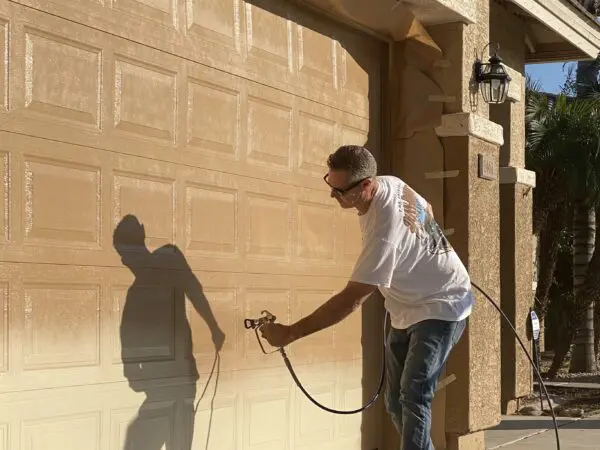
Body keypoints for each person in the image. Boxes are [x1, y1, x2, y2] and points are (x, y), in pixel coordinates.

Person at [260, 145, 473, 450]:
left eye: (340, 190)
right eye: (330, 184)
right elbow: (428, 211)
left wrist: (291, 332)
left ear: (366, 185)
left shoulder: (384, 229)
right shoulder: (391, 182)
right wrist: (422, 257)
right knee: (395, 402)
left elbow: (352, 298)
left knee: (414, 393)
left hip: (443, 304)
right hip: (406, 306)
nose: (333, 195)